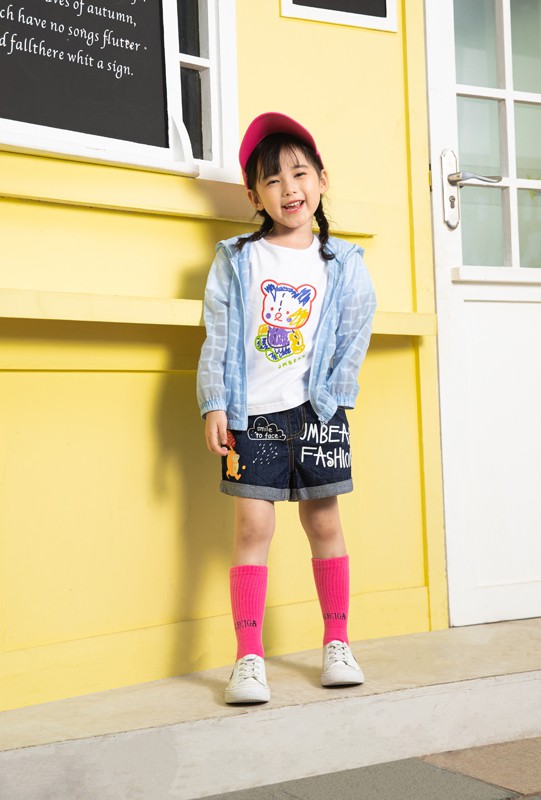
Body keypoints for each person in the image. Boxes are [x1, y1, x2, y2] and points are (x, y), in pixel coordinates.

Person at [197, 112, 376, 704]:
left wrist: (335, 399)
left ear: (322, 179)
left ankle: (338, 642)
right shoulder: (237, 258)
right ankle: (248, 658)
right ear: (254, 196)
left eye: (299, 174)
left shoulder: (343, 262)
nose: (289, 189)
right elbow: (218, 334)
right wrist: (214, 404)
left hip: (317, 413)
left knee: (324, 522)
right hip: (251, 414)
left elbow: (355, 330)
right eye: (272, 180)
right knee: (253, 526)